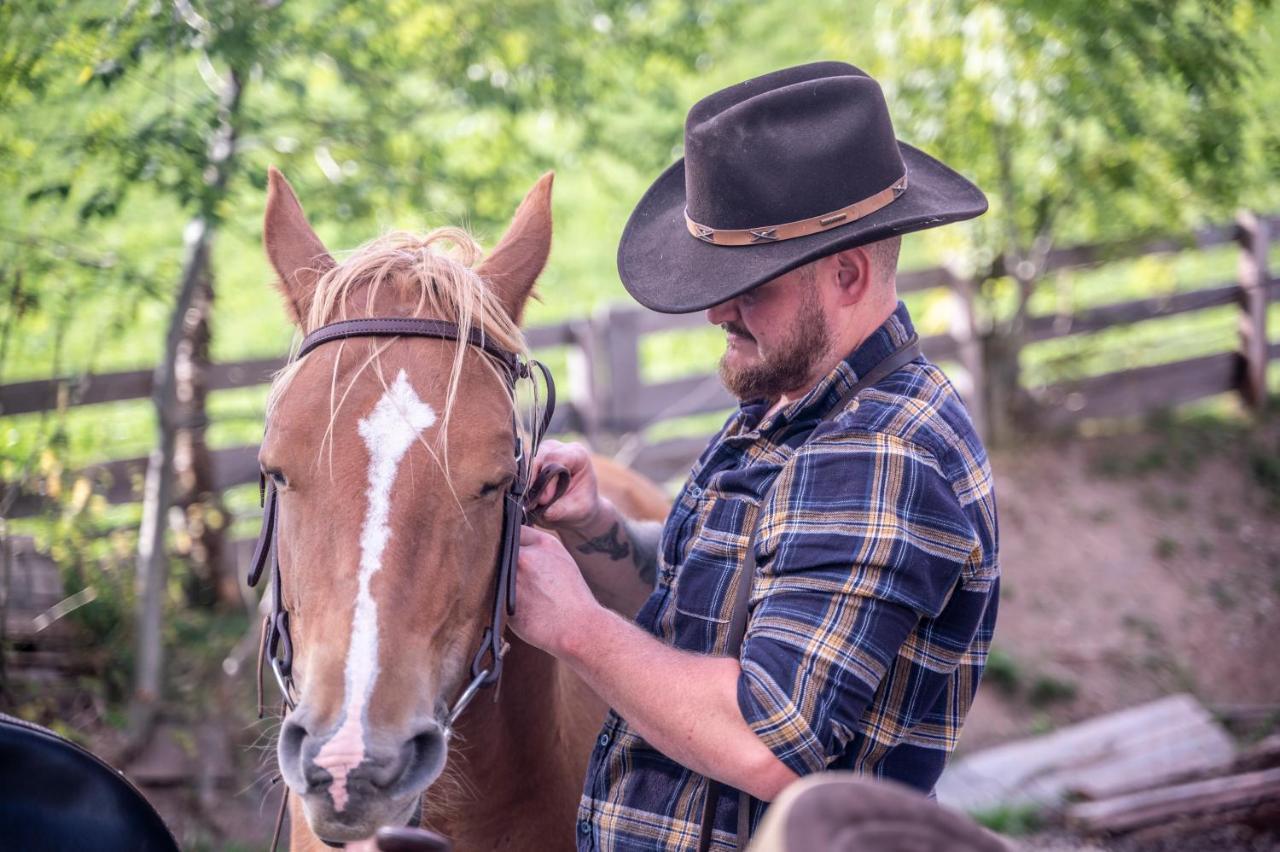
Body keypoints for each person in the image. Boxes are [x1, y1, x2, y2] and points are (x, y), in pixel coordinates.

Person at [509, 61, 1000, 851]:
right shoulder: (792, 408)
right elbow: (695, 616)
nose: (715, 309)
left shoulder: (879, 453)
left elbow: (768, 739)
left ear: (847, 273)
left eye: (753, 282)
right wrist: (594, 528)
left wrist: (575, 630)